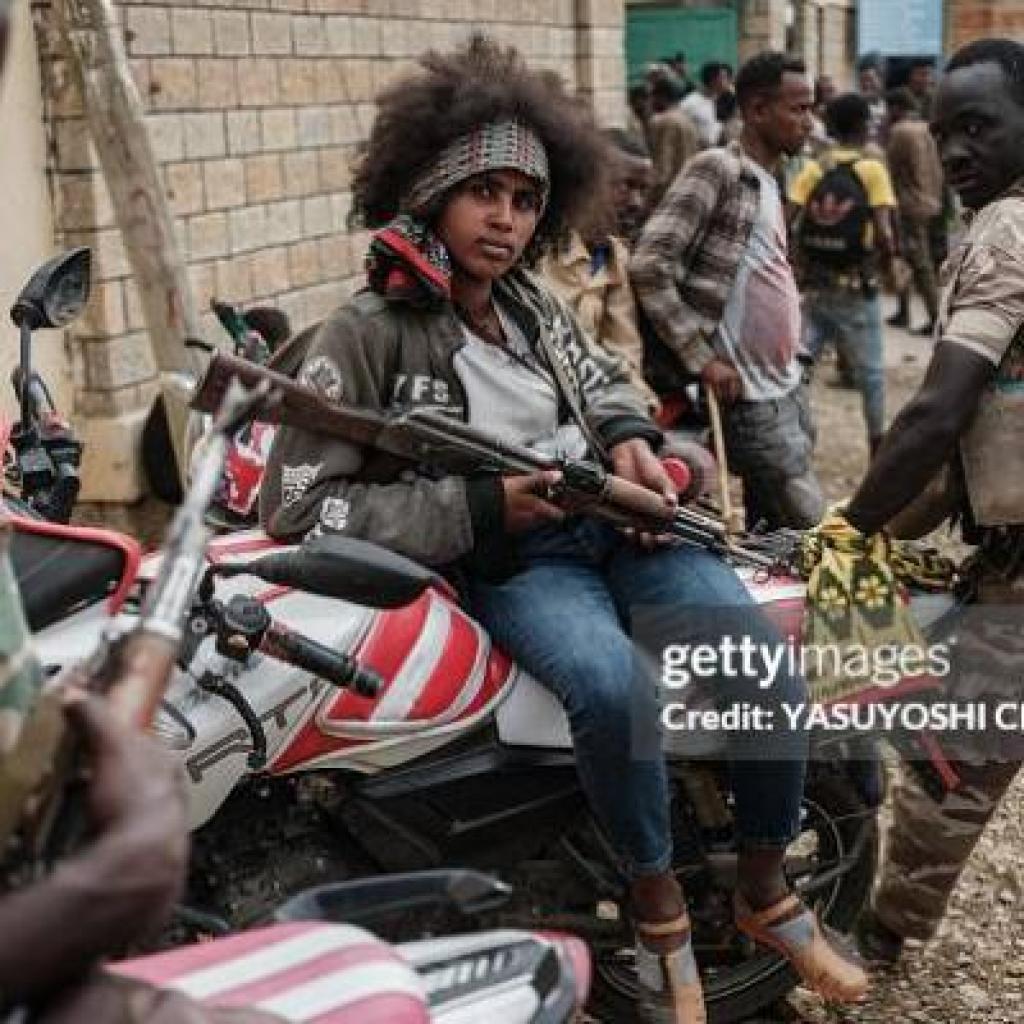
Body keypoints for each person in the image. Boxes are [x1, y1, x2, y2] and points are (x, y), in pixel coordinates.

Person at [259, 35, 867, 1023]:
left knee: (762, 664)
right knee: (611, 688)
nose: (505, 218)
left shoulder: (531, 305)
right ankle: (656, 908)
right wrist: (480, 508)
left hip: (621, 530)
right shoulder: (364, 333)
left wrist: (634, 444)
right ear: (431, 193)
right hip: (518, 561)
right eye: (483, 193)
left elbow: (604, 381)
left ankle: (765, 889)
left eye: (524, 199)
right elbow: (294, 505)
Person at [824, 39, 1024, 966]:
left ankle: (879, 937)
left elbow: (937, 415)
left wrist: (844, 530)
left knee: (951, 756)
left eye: (977, 127)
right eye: (943, 135)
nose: (955, 152)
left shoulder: (1007, 233)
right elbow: (963, 457)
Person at [632, 52, 826, 531]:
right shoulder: (718, 169)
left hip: (785, 381)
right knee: (807, 523)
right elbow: (649, 264)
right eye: (799, 109)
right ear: (757, 110)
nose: (809, 122)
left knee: (773, 532)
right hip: (746, 391)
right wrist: (702, 359)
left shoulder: (770, 181)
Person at [789, 93, 898, 456]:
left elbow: (786, 220)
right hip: (856, 288)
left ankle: (797, 439)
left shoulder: (814, 169)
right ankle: (876, 446)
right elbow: (884, 233)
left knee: (797, 371)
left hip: (815, 289)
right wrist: (887, 265)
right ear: (865, 125)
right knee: (872, 375)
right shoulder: (872, 170)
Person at [541, 130, 659, 411]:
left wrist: (640, 406)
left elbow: (624, 350)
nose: (637, 202)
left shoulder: (615, 257)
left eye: (643, 190)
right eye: (626, 186)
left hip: (589, 401)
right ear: (589, 183)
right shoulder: (540, 245)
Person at [884, 87, 943, 335]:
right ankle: (904, 311)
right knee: (911, 259)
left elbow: (890, 169)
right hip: (931, 200)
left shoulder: (900, 131)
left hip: (910, 204)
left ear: (896, 108)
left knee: (919, 262)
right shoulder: (927, 128)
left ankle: (935, 318)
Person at [647, 72, 701, 205]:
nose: (650, 101)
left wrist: (650, 200)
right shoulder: (688, 121)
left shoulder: (662, 121)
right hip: (688, 190)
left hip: (668, 195)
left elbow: (662, 168)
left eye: (652, 96)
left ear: (661, 97)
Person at [681, 61, 733, 148]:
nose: (728, 81)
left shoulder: (719, 101)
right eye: (724, 77)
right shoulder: (690, 104)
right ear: (713, 80)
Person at [907, 56, 937, 121]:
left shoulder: (935, 96)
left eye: (929, 74)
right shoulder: (899, 95)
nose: (927, 79)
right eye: (922, 74)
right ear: (911, 76)